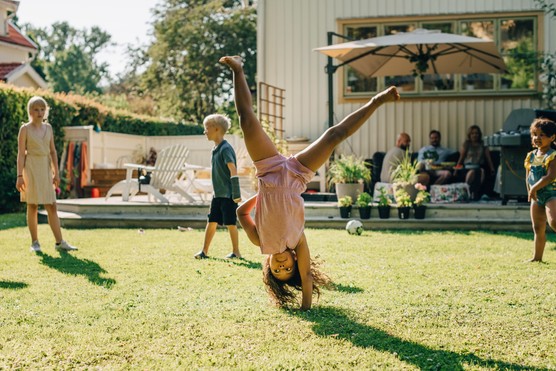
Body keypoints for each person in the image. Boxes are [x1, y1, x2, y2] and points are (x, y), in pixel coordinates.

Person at [220, 55, 400, 310]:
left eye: (277, 269)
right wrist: (306, 308)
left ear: (268, 266)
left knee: (247, 121)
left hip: (268, 169)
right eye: (287, 268)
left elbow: (241, 212)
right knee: (334, 135)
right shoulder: (297, 242)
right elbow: (306, 276)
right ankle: (377, 100)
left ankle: (237, 69)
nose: (283, 266)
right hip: (296, 174)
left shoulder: (259, 242)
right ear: (294, 260)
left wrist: (262, 196)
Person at [16, 96, 78, 253]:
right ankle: (35, 243)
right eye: (36, 109)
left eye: (42, 109)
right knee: (32, 205)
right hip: (30, 169)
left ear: (46, 111)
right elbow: (21, 154)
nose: (39, 112)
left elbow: (52, 151)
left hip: (45, 168)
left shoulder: (48, 128)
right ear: (30, 111)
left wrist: (56, 173)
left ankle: (59, 242)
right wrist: (19, 176)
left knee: (52, 205)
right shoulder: (25, 129)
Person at [194, 114, 242, 260]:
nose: (205, 131)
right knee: (211, 221)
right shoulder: (215, 149)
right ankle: (204, 251)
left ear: (216, 129)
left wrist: (236, 193)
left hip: (228, 195)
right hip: (217, 194)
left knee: (230, 223)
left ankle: (236, 252)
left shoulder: (225, 149)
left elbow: (233, 170)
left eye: (206, 128)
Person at [524, 117, 556, 262]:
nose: (537, 138)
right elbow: (528, 176)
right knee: (538, 227)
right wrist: (529, 191)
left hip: (551, 194)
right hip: (536, 196)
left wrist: (533, 189)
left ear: (552, 137)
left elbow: (550, 177)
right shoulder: (530, 156)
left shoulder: (552, 155)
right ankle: (537, 258)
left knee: (554, 221)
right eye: (534, 134)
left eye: (541, 135)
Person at [454, 125, 495, 200]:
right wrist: (456, 170)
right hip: (467, 168)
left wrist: (492, 168)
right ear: (469, 135)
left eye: (476, 133)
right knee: (472, 172)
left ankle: (476, 193)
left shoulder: (483, 144)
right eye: (472, 133)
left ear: (479, 134)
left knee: (481, 172)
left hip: (479, 166)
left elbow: (488, 158)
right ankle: (467, 190)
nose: (474, 135)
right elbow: (461, 158)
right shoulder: (466, 144)